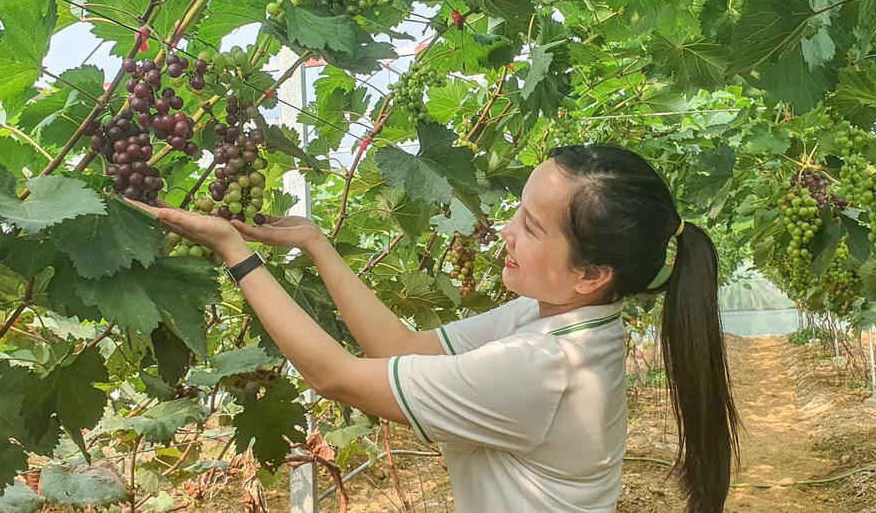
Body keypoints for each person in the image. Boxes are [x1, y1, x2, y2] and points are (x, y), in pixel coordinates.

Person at [130, 143, 739, 512]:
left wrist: (237, 255)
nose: (505, 232)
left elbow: (336, 377)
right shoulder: (552, 319)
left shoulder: (540, 369)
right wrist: (317, 245)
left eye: (530, 228)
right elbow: (404, 349)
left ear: (592, 274)